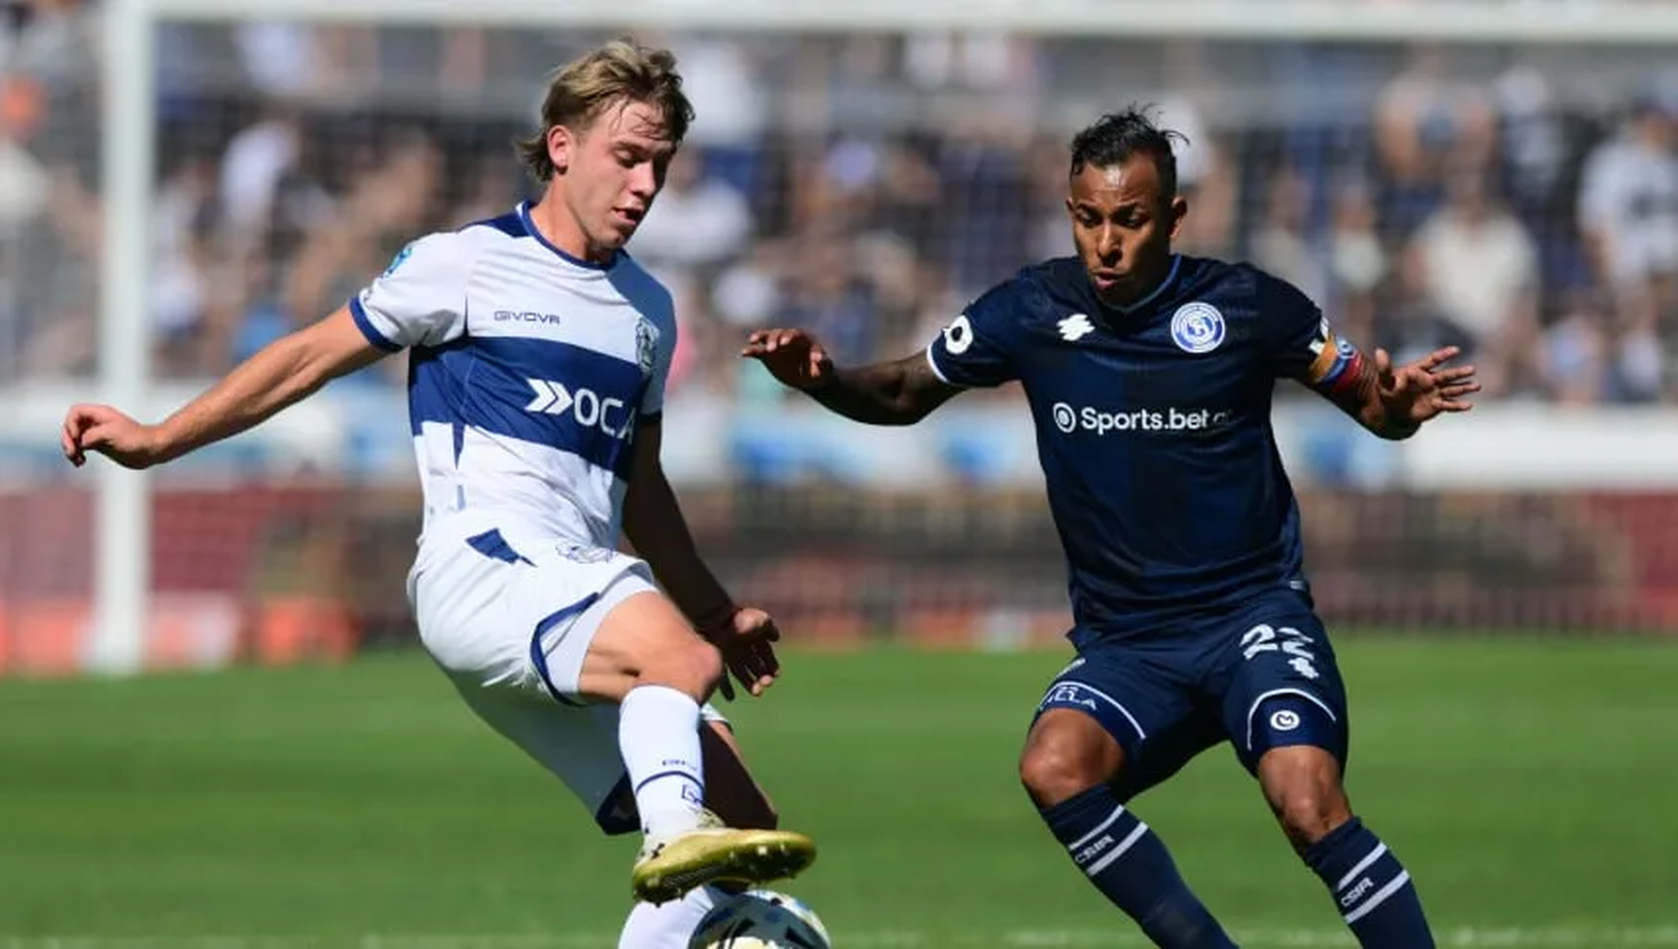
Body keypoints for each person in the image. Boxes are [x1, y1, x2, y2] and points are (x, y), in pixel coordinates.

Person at [61, 39, 815, 948]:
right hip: (484, 573)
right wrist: (158, 437)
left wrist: (719, 610)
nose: (647, 183)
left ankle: (689, 866)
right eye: (628, 155)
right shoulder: (466, 263)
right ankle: (670, 827)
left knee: (743, 829)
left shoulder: (647, 310)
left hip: (569, 592)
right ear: (562, 145)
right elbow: (306, 356)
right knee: (675, 669)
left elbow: (640, 484)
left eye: (661, 162)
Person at [744, 109, 1473, 948]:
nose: (1107, 243)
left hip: (1252, 618)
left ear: (1173, 217)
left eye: (1129, 220)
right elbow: (907, 390)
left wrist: (1400, 408)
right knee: (1051, 766)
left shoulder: (1250, 306)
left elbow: (1370, 403)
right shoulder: (1029, 309)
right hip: (1131, 647)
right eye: (1088, 218)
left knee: (1306, 799)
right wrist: (824, 379)